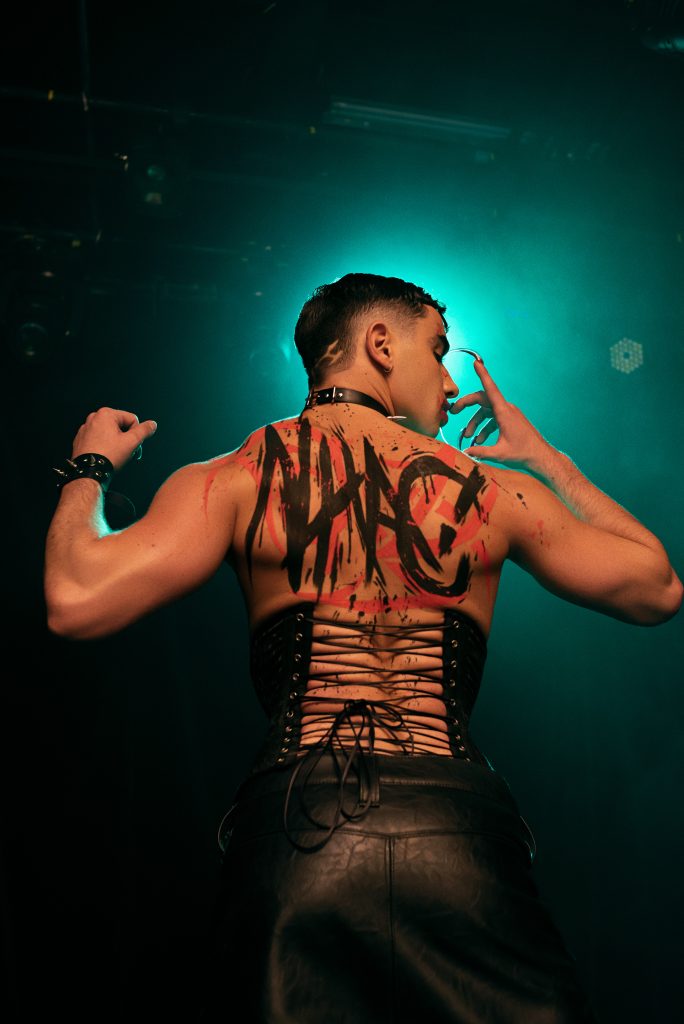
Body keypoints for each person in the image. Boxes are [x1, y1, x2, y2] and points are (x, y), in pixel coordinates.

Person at [45, 273, 682, 1023]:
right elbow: (657, 586)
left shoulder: (238, 475)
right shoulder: (487, 490)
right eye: (437, 351)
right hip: (456, 837)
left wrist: (89, 467)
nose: (451, 383)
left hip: (300, 834)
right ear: (379, 343)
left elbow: (75, 597)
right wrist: (543, 456)